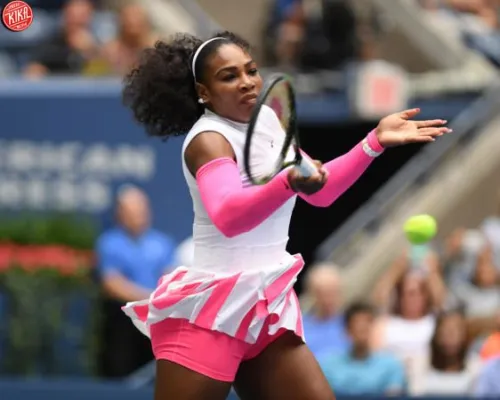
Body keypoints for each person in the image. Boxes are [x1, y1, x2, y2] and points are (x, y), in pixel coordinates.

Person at [121, 30, 450, 400]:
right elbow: (228, 216)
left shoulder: (267, 122)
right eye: (229, 76)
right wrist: (287, 182)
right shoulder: (208, 139)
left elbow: (321, 191)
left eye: (251, 70)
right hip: (212, 312)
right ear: (204, 92)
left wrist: (373, 142)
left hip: (265, 308)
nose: (247, 82)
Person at [96, 185, 176, 378]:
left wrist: (155, 301)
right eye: (132, 212)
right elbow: (111, 284)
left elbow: (170, 276)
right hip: (122, 320)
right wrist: (147, 298)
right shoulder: (109, 242)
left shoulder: (162, 243)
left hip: (156, 319)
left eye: (142, 210)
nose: (139, 216)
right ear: (120, 214)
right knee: (120, 371)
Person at [319, 302, 405, 396]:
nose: (362, 333)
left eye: (366, 326)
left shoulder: (391, 365)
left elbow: (394, 393)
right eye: (357, 327)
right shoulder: (328, 365)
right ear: (347, 330)